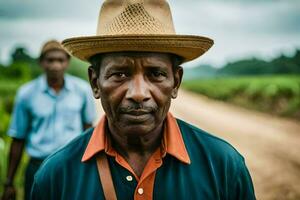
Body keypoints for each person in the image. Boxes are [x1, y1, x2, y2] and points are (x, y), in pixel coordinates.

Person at [31, 1, 256, 199]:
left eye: (156, 74)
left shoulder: (223, 166)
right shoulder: (55, 177)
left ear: (175, 82)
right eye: (119, 74)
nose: (138, 93)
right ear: (95, 83)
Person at [1, 40, 96, 200]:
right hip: (38, 167)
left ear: (67, 62)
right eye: (50, 60)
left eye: (60, 60)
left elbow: (89, 132)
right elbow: (18, 138)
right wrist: (9, 182)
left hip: (72, 166)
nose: (55, 65)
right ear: (41, 62)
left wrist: (90, 170)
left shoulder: (82, 90)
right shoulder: (26, 94)